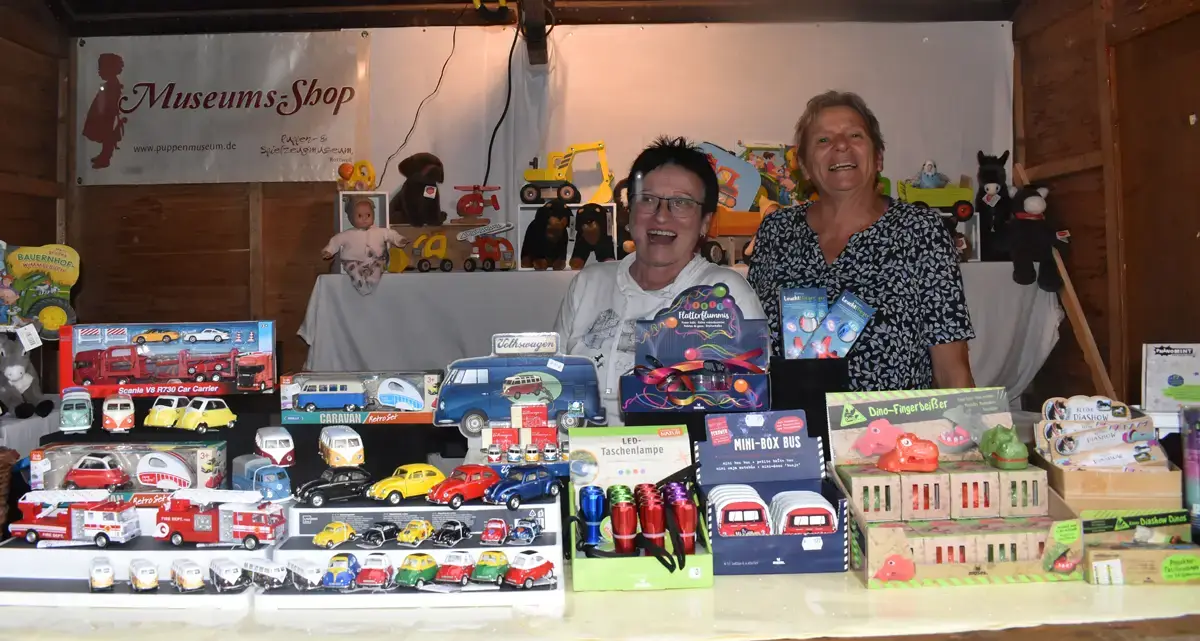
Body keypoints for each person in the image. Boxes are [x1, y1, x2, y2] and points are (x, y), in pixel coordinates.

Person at [747, 91, 975, 391]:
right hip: (791, 420)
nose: (841, 145)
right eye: (823, 140)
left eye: (855, 135)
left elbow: (951, 369)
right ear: (803, 165)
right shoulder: (775, 232)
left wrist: (969, 420)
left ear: (878, 157)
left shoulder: (921, 232)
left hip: (894, 421)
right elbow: (750, 355)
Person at [554, 136, 765, 422]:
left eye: (681, 203)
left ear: (705, 222)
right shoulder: (588, 284)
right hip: (581, 447)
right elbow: (553, 383)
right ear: (629, 211)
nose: (661, 217)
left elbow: (750, 403)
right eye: (648, 199)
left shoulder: (727, 293)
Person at [322, 197, 410, 295]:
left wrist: (400, 239)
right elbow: (335, 241)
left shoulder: (380, 231)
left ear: (373, 215)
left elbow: (392, 235)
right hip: (353, 261)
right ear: (351, 218)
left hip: (374, 261)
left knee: (379, 268)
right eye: (359, 215)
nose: (364, 218)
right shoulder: (347, 234)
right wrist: (329, 250)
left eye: (368, 215)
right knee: (354, 272)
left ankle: (371, 282)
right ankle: (361, 286)